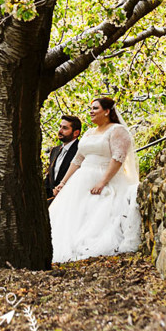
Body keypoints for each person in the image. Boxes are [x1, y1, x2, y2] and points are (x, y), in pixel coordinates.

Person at [48, 97, 142, 263]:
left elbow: (118, 158)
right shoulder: (89, 132)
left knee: (98, 216)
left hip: (105, 177)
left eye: (95, 108)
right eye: (90, 108)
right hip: (80, 179)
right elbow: (77, 160)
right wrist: (63, 183)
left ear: (107, 111)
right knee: (71, 214)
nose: (91, 111)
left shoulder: (118, 130)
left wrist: (103, 182)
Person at [44, 115, 82, 202]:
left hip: (70, 199)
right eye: (60, 127)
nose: (60, 131)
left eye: (65, 128)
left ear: (76, 133)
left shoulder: (80, 151)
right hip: (51, 200)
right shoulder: (54, 150)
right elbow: (49, 178)